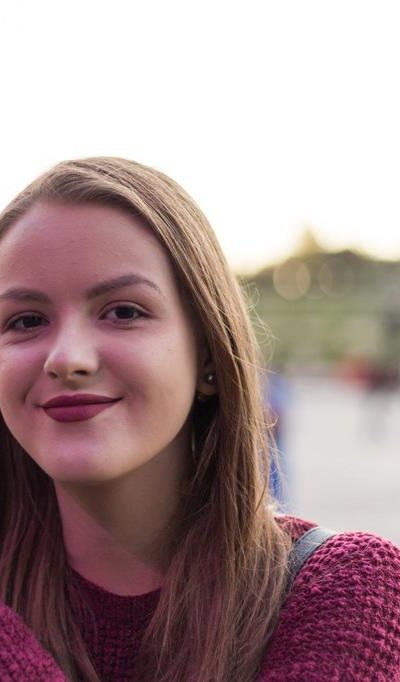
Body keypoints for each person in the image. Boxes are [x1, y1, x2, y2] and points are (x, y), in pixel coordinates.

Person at [0, 157, 398, 682]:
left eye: (123, 311)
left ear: (208, 352)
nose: (67, 358)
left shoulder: (351, 588)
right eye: (26, 320)